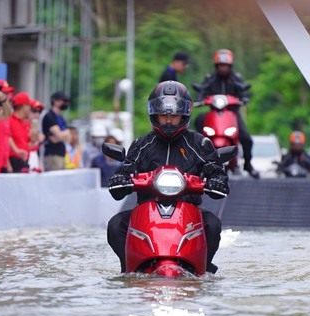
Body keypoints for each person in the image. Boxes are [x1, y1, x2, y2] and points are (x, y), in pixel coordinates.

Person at [106, 81, 229, 273]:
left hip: (188, 212)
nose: (169, 120)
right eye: (164, 115)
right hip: (146, 211)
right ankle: (128, 270)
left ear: (184, 115)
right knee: (115, 226)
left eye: (174, 115)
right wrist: (120, 178)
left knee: (213, 224)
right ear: (155, 115)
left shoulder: (200, 144)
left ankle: (202, 270)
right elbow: (127, 168)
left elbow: (214, 169)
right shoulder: (141, 144)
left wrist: (217, 180)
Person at [194, 49, 259, 179]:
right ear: (216, 66)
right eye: (220, 66)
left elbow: (242, 91)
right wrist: (199, 98)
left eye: (225, 66)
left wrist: (244, 98)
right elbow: (202, 90)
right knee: (197, 129)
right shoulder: (210, 79)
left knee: (246, 138)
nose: (223, 68)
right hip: (213, 115)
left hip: (232, 115)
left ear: (230, 66)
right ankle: (197, 163)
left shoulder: (236, 79)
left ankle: (248, 164)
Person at [41, 91, 72, 171]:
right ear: (55, 101)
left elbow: (68, 137)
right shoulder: (49, 116)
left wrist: (62, 135)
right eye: (63, 101)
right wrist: (64, 134)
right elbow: (60, 135)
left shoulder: (60, 118)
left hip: (61, 154)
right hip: (52, 155)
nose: (65, 103)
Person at [7, 92, 35, 173]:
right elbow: (7, 138)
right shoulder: (10, 120)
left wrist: (34, 138)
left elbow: (31, 143)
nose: (30, 108)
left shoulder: (26, 123)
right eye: (28, 105)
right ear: (23, 106)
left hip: (24, 160)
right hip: (13, 160)